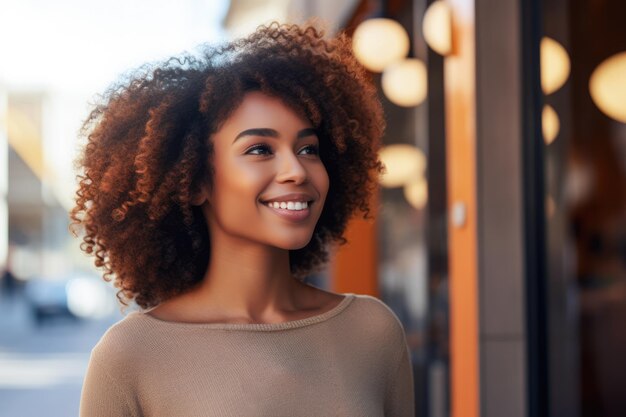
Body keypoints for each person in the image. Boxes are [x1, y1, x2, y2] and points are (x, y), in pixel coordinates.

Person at [72, 22, 415, 416]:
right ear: (197, 181)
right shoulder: (129, 357)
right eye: (259, 149)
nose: (296, 171)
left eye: (307, 149)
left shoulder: (373, 331)